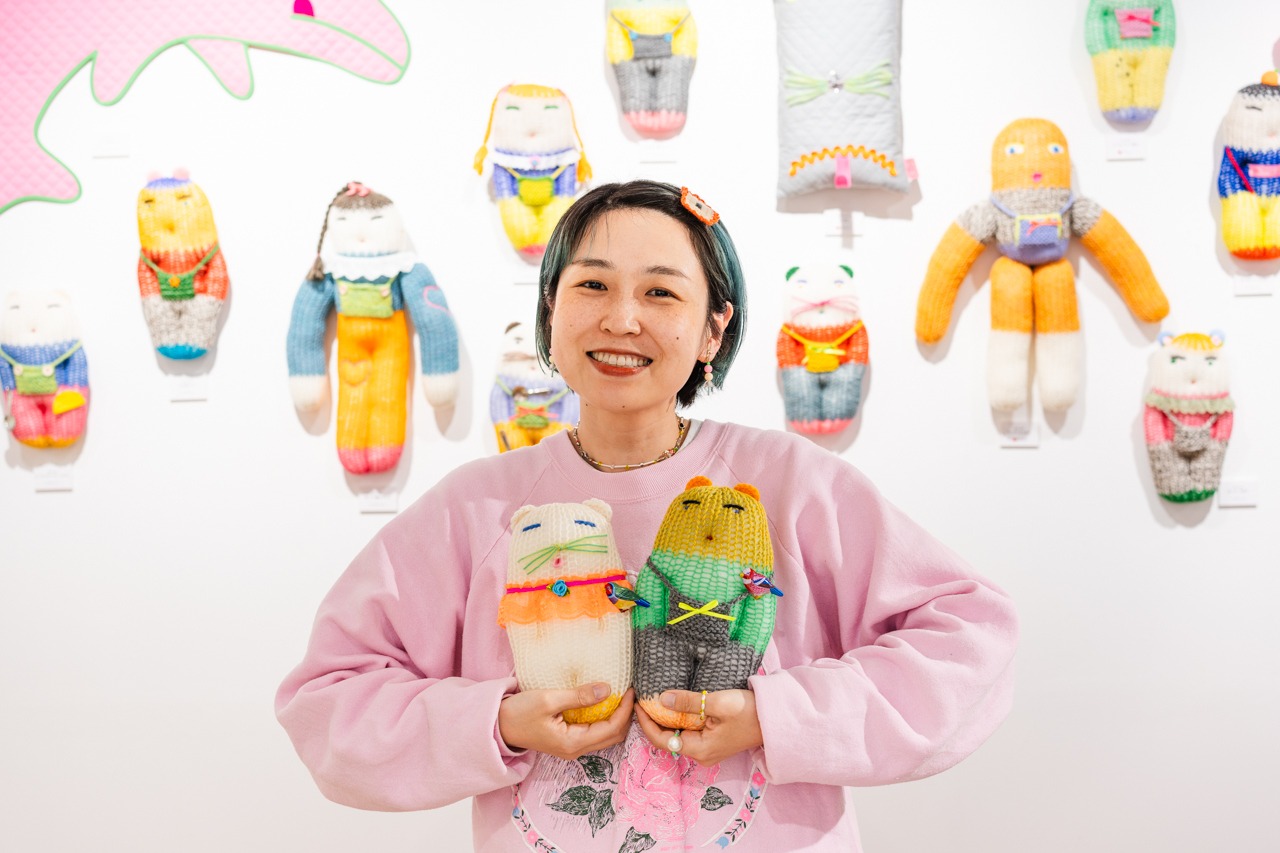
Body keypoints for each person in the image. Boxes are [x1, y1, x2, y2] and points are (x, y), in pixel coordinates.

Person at [276, 180, 1019, 852]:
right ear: (550, 309)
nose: (622, 318)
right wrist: (497, 722)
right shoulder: (476, 509)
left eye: (661, 292)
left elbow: (973, 637)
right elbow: (326, 702)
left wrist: (778, 716)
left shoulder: (790, 485)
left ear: (713, 330)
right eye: (592, 284)